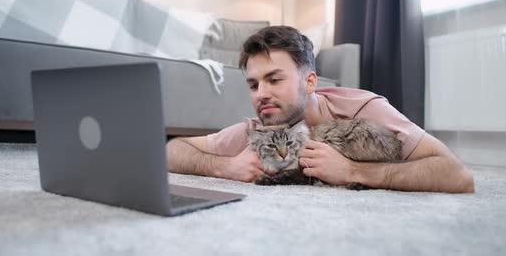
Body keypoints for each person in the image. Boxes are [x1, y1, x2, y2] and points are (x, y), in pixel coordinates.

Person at [167, 26, 474, 193]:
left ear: (310, 81)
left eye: (274, 79)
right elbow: (172, 150)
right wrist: (225, 167)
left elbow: (457, 175)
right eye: (253, 84)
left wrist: (354, 171)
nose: (262, 94)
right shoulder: (260, 131)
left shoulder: (364, 108)